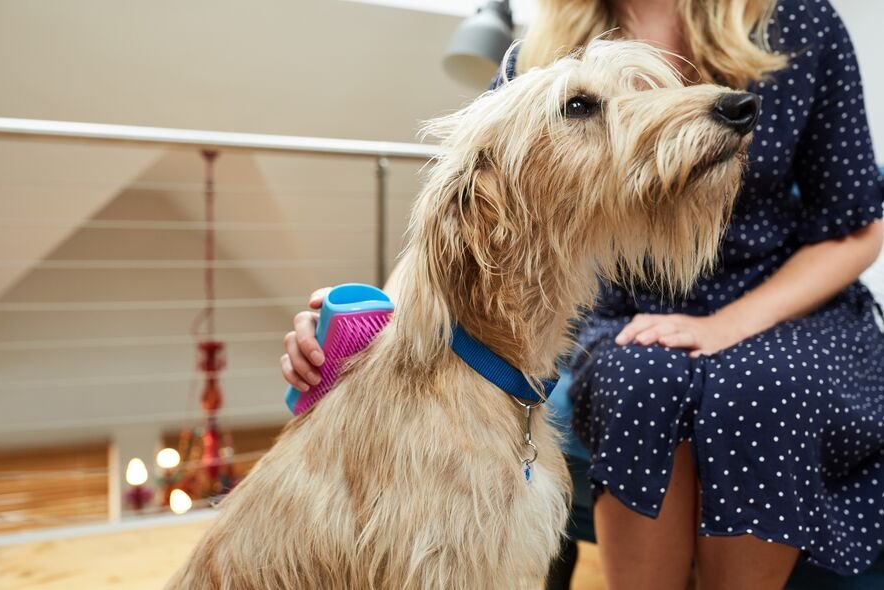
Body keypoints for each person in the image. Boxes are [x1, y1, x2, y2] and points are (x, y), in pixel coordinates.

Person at [282, 0, 884, 587]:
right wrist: (365, 329)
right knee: (637, 380)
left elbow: (857, 227)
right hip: (629, 314)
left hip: (787, 304)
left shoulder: (796, 19)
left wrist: (728, 325)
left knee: (761, 389)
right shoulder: (544, 53)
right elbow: (468, 197)